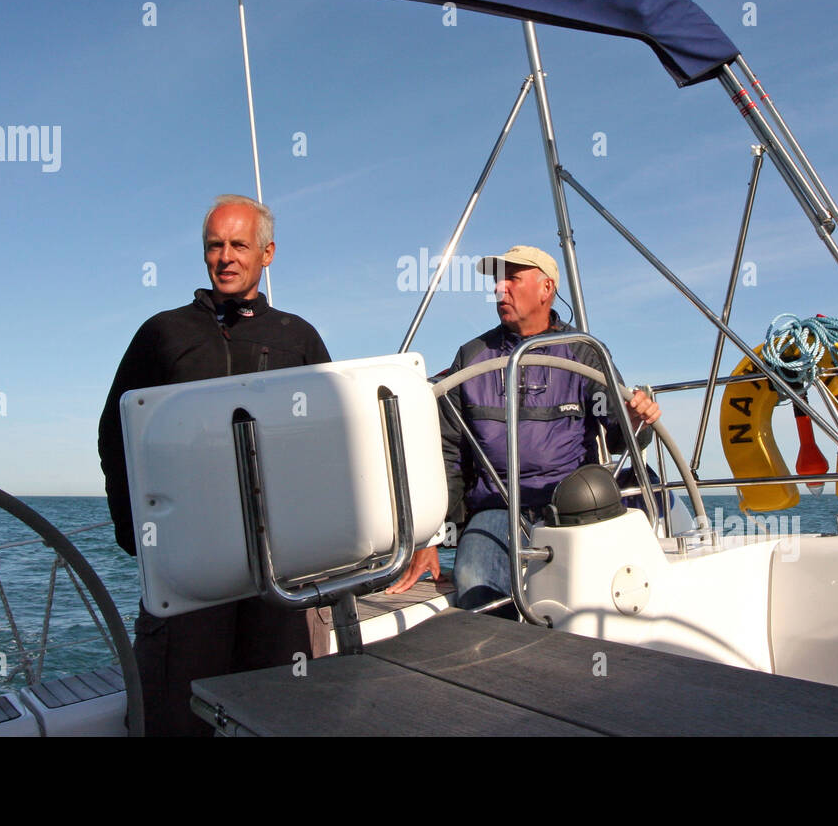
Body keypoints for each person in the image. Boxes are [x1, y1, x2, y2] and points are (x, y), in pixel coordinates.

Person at [98, 194, 330, 735]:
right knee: (176, 714)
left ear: (266, 253)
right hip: (187, 563)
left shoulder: (297, 337)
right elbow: (116, 431)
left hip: (279, 565)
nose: (225, 256)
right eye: (214, 245)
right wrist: (133, 528)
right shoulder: (163, 333)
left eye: (239, 245)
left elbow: (330, 437)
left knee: (277, 711)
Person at [387, 245, 660, 610]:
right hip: (496, 508)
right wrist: (432, 537)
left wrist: (637, 418)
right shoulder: (472, 357)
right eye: (498, 282)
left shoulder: (583, 352)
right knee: (475, 582)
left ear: (546, 289)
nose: (500, 290)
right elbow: (447, 453)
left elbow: (618, 435)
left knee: (595, 591)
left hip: (569, 504)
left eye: (512, 280)